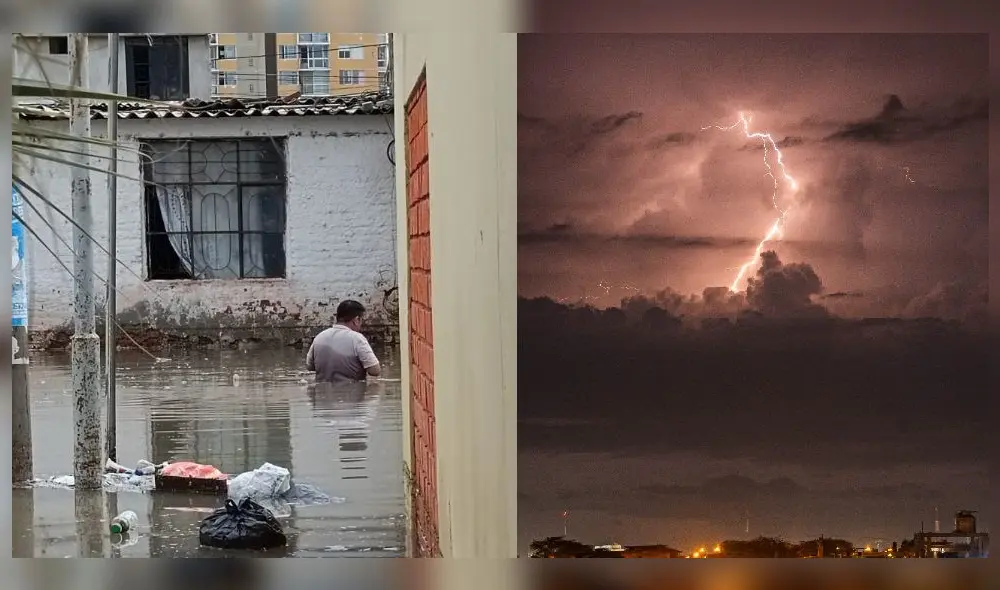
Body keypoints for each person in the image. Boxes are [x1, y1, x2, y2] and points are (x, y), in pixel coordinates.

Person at [306, 299, 381, 383]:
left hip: (322, 393)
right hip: (351, 392)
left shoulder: (319, 337)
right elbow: (375, 371)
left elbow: (309, 366)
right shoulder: (357, 338)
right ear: (356, 320)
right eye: (361, 320)